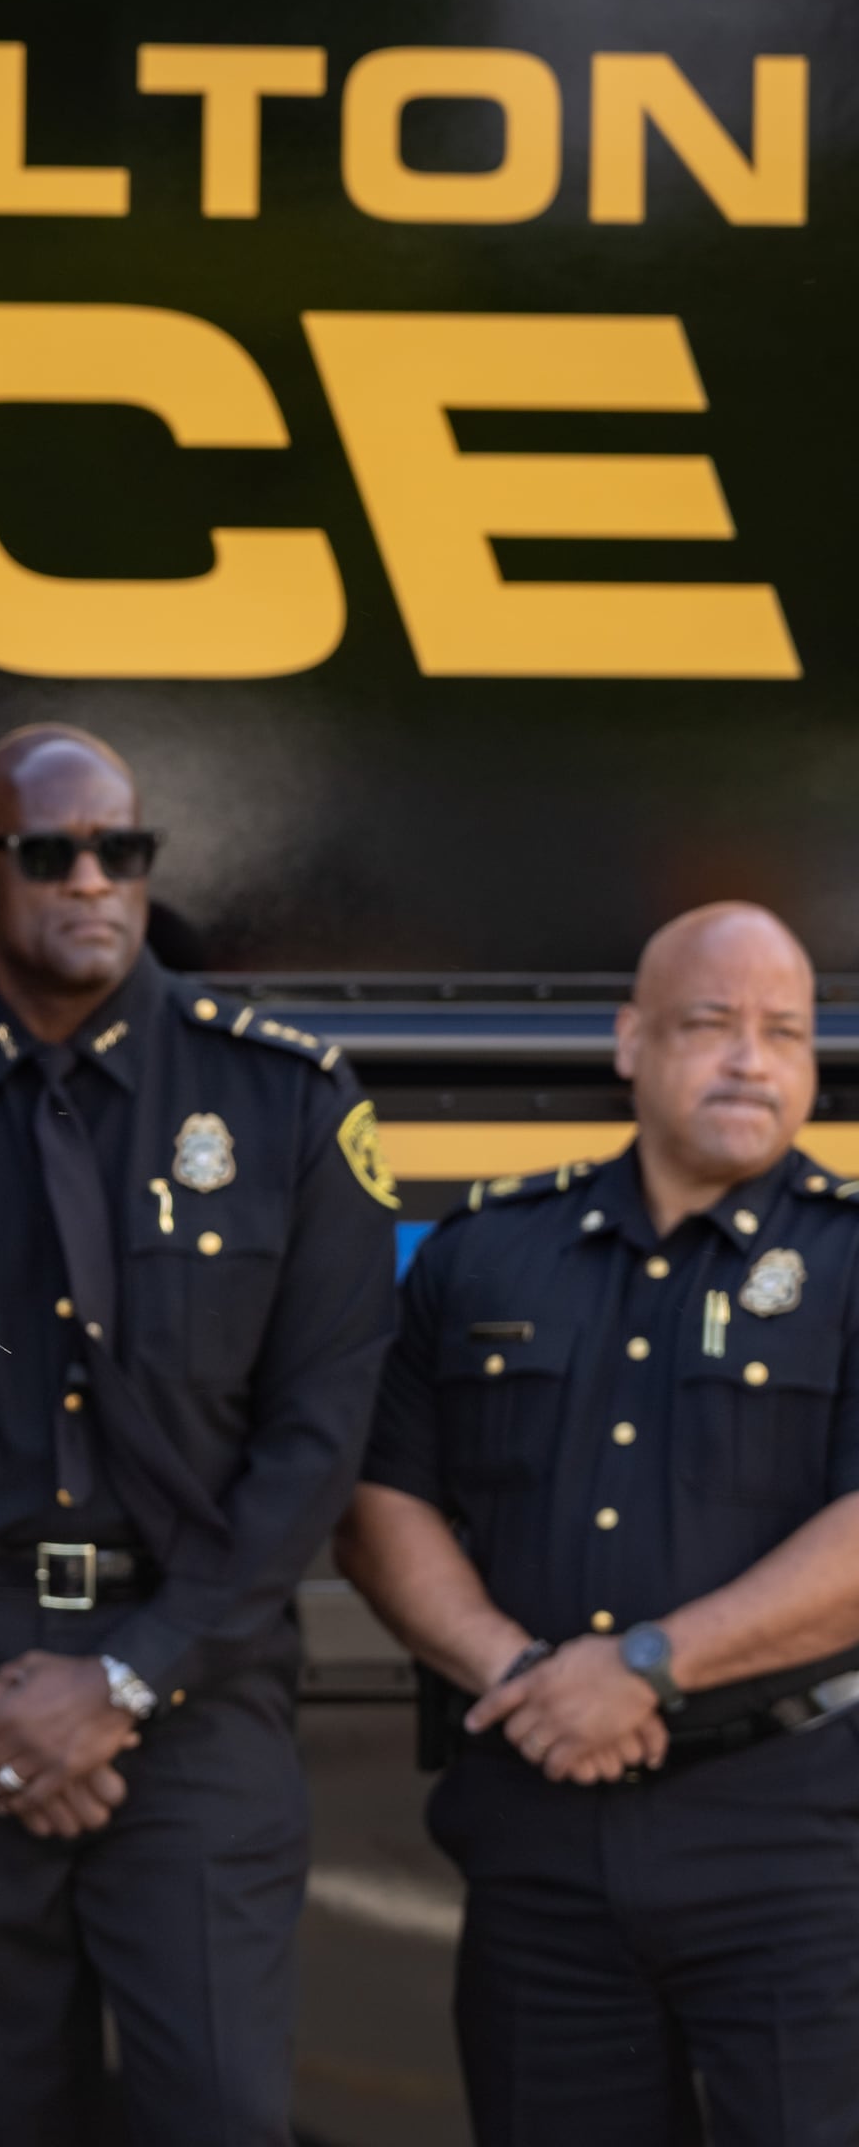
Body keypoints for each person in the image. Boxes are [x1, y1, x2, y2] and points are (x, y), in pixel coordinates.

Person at [0, 725, 400, 2147]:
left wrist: (129, 1675)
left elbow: (317, 1432)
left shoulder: (285, 1103)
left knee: (216, 2112)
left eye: (123, 851)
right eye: (51, 854)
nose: (94, 880)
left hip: (196, 1679)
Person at [339, 901, 859, 2146]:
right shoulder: (484, 1253)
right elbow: (378, 1501)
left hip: (790, 1843)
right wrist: (518, 1674)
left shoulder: (850, 1258)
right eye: (711, 1024)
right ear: (630, 1040)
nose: (751, 1060)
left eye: (786, 1032)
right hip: (540, 1841)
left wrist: (644, 1667)